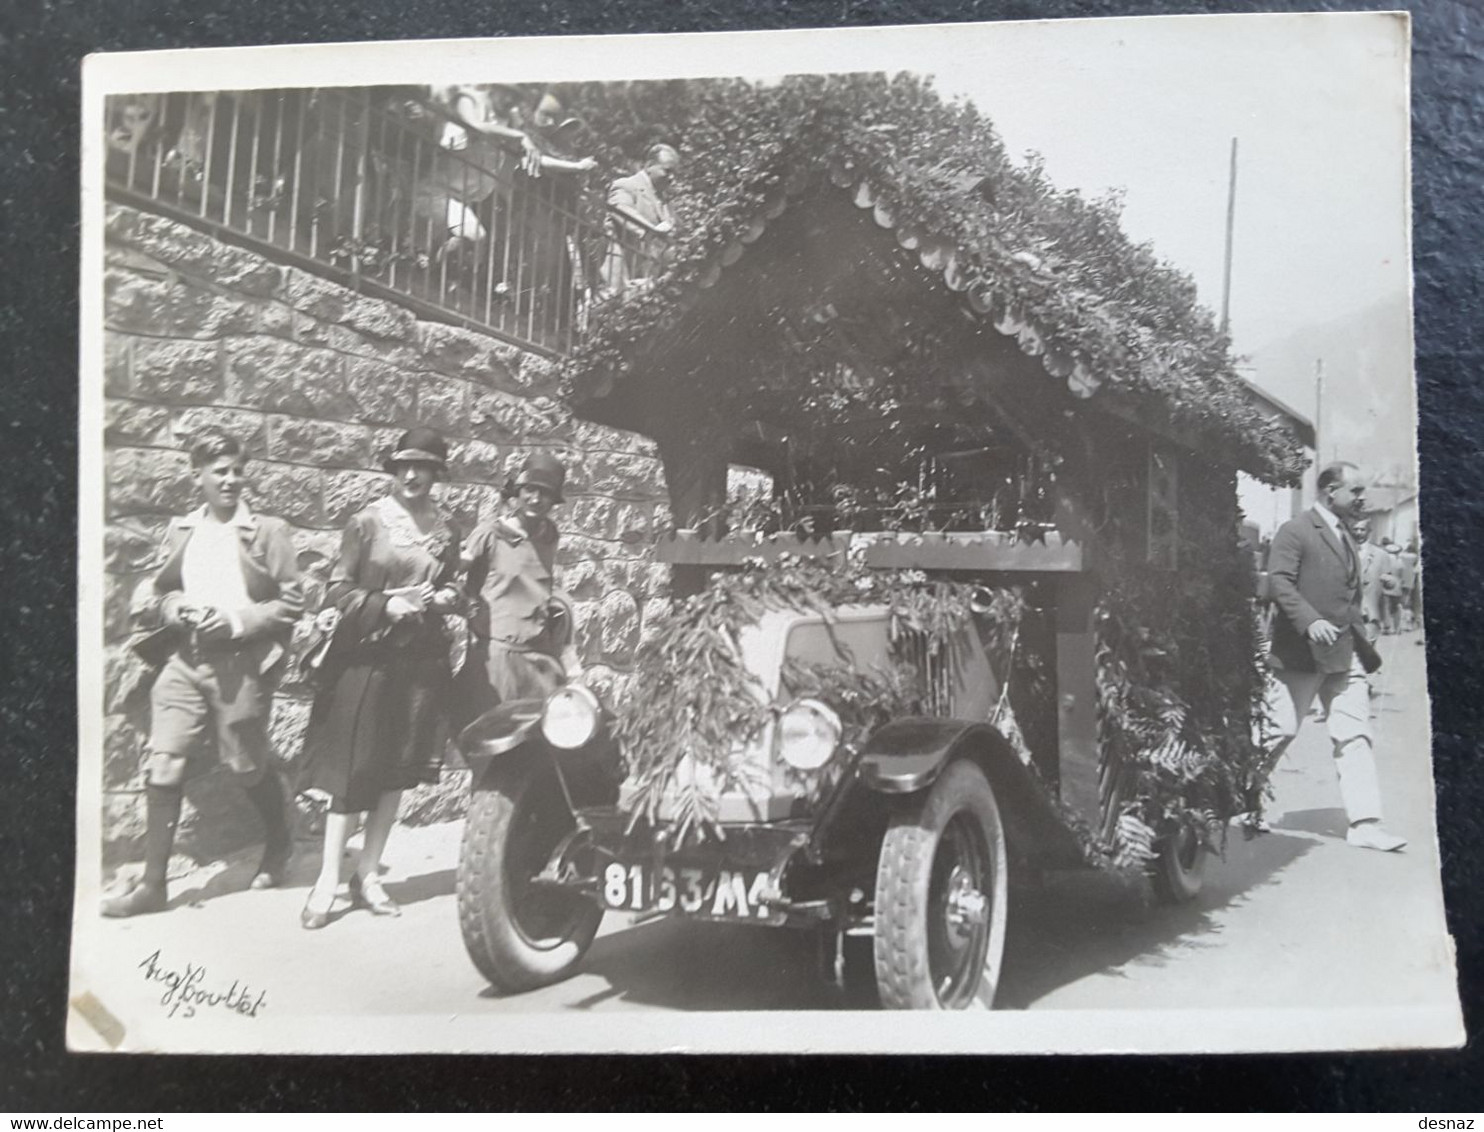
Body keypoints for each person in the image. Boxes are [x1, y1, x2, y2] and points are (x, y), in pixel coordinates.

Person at [103, 430, 303, 917]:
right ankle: (153, 886)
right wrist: (178, 611)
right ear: (198, 476)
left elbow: (292, 601)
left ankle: (280, 841)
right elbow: (165, 590)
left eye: (237, 471)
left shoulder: (267, 530)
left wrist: (235, 621)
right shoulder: (182, 530)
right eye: (221, 472)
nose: (232, 480)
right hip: (184, 661)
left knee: (246, 765)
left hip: (237, 664)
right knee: (164, 761)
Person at [296, 428, 464, 929]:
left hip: (420, 665)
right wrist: (384, 604)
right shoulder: (368, 523)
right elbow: (336, 590)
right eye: (403, 465)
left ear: (436, 473)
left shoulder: (447, 529)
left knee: (397, 770)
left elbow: (454, 582)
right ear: (393, 469)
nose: (412, 475)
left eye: (423, 466)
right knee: (353, 773)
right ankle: (328, 880)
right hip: (369, 662)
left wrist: (449, 597)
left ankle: (368, 875)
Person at [1258, 461, 1406, 852]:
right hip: (1302, 653)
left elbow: (1348, 595)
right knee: (1280, 730)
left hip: (1346, 652)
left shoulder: (1345, 536)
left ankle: (1365, 824)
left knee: (1355, 735)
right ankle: (1240, 802)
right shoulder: (1296, 530)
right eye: (1355, 491)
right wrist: (1309, 621)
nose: (1363, 499)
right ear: (1330, 492)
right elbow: (1279, 582)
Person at [461, 452, 582, 714]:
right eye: (529, 490)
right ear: (518, 490)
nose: (535, 499)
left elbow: (543, 588)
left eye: (545, 493)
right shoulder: (490, 534)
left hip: (538, 659)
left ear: (554, 500)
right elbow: (456, 569)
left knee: (537, 742)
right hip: (497, 658)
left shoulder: (549, 535)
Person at [600, 143, 680, 292]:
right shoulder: (626, 185)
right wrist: (651, 231)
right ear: (649, 165)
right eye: (667, 171)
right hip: (622, 278)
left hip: (650, 282)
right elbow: (619, 209)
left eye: (675, 173)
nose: (672, 178)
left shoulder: (666, 201)